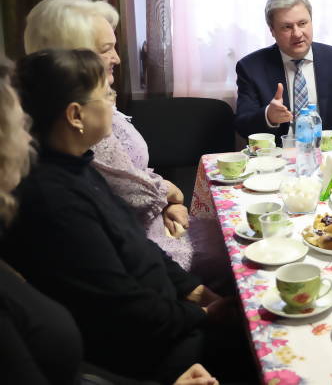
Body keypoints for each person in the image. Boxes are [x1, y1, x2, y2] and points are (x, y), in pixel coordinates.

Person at [3, 49, 254, 384]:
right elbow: (121, 308)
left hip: (168, 318)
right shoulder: (54, 200)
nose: (113, 102)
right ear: (76, 115)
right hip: (151, 351)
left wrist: (195, 290)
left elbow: (137, 243)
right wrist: (202, 314)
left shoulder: (78, 165)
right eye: (106, 94)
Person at [23, 0, 204, 272]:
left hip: (150, 231)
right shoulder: (79, 124)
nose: (117, 58)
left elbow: (135, 176)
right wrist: (168, 193)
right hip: (137, 250)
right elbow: (131, 193)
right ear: (73, 57)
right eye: (106, 49)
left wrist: (166, 203)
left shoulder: (92, 108)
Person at [234, 0, 332, 140]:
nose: (297, 34)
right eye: (287, 27)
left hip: (330, 150)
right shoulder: (251, 67)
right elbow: (243, 124)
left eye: (302, 23)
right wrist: (268, 116)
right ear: (272, 30)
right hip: (279, 153)